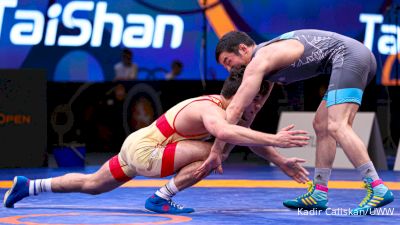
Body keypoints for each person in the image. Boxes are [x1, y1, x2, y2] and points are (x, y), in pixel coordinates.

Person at [3, 72, 310, 214]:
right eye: (255, 103)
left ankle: (28, 187)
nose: (255, 110)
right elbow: (227, 135)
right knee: (215, 153)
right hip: (148, 150)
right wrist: (277, 140)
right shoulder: (212, 108)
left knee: (93, 184)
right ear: (243, 96)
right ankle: (160, 198)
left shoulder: (227, 111)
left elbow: (243, 135)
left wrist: (281, 161)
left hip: (138, 145)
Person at [197, 29, 394, 215]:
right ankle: (319, 192)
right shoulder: (267, 64)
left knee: (337, 124)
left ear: (243, 48)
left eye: (228, 61)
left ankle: (376, 187)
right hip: (354, 57)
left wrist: (216, 151)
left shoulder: (260, 60)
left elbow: (234, 110)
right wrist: (224, 151)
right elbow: (248, 118)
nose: (229, 69)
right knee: (321, 124)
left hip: (350, 56)